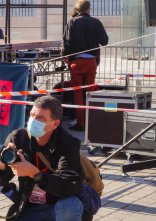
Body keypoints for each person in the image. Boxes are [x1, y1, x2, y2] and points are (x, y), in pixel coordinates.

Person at [0, 96, 83, 221]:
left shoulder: (68, 143)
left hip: (57, 208)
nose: (33, 121)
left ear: (55, 124)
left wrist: (35, 174)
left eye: (40, 118)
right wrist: (2, 164)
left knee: (71, 205)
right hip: (30, 208)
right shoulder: (18, 138)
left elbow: (70, 185)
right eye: (31, 115)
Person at [62, 0, 108, 131]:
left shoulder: (72, 22)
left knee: (78, 93)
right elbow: (104, 41)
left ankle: (80, 122)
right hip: (92, 62)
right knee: (89, 92)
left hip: (77, 63)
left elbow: (66, 42)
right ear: (89, 9)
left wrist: (65, 56)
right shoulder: (96, 22)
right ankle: (90, 121)